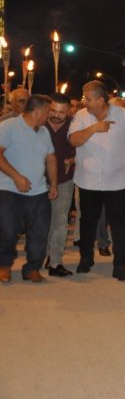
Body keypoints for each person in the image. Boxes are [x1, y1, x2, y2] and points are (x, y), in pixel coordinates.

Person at [69, 81, 125, 281]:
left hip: (117, 181)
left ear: (100, 100)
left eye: (88, 98)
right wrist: (94, 128)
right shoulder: (81, 117)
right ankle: (86, 258)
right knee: (88, 222)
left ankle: (120, 264)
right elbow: (74, 140)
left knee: (119, 223)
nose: (85, 101)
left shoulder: (124, 116)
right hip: (88, 181)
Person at [0, 95, 57, 283]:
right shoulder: (8, 127)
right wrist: (16, 177)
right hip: (9, 189)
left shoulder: (44, 132)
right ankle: (4, 265)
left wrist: (53, 184)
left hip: (39, 190)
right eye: (48, 111)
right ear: (38, 112)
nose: (50, 115)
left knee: (40, 231)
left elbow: (50, 158)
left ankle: (32, 268)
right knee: (7, 230)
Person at [45, 93, 76, 277]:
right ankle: (43, 256)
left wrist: (73, 159)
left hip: (65, 180)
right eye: (53, 110)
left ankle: (55, 261)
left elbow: (87, 149)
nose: (56, 115)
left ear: (69, 111)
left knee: (60, 221)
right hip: (39, 180)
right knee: (42, 223)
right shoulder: (39, 123)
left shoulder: (75, 125)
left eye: (61, 112)